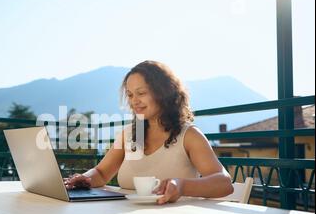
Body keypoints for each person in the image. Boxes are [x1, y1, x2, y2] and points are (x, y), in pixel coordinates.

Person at [64, 60, 233, 204]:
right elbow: (101, 173)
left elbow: (224, 183)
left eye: (141, 93)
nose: (134, 101)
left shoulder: (189, 136)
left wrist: (181, 186)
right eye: (130, 95)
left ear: (164, 93)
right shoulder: (128, 134)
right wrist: (85, 178)